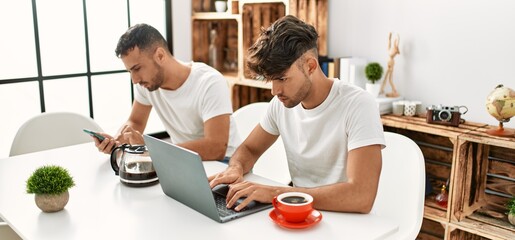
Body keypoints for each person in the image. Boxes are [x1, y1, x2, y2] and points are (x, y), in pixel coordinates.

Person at [208, 15, 385, 213]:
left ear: (310, 66)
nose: (274, 91)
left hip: (345, 219)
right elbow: (249, 149)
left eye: (282, 78)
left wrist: (277, 193)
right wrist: (236, 168)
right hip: (297, 212)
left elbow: (361, 197)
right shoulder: (280, 105)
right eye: (270, 80)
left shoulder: (358, 105)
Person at [94, 23, 241, 162]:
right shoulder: (147, 84)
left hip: (226, 163)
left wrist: (150, 149)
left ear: (160, 56)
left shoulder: (209, 82)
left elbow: (216, 148)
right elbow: (136, 121)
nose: (134, 80)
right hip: (184, 160)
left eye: (137, 68)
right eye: (130, 71)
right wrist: (117, 141)